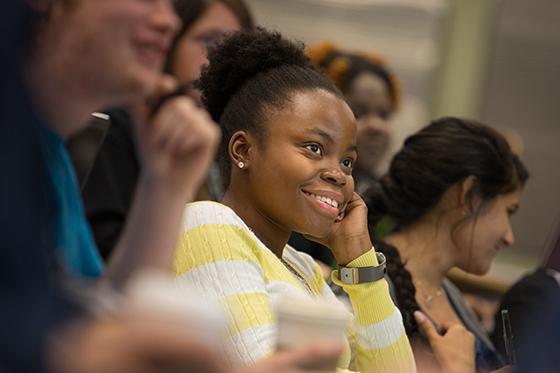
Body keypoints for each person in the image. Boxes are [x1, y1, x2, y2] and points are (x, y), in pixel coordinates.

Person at [4, 1, 341, 372]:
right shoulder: (209, 218)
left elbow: (102, 317)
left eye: (346, 160)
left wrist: (165, 184)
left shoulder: (49, 150)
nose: (167, 20)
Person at [172, 27, 415, 372]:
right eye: (314, 148)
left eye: (347, 161)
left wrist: (359, 262)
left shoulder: (301, 266)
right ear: (243, 150)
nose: (339, 174)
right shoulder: (207, 224)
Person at [79, 0, 254, 260]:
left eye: (235, 47)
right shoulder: (122, 123)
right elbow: (104, 248)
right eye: (209, 40)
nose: (223, 58)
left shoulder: (227, 138)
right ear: (170, 45)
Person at [363, 117, 529, 372]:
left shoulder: (448, 292)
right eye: (509, 211)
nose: (509, 236)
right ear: (469, 195)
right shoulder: (364, 290)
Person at [290, 43, 400, 269]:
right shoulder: (298, 189)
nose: (377, 126)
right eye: (358, 113)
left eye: (384, 114)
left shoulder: (390, 197)